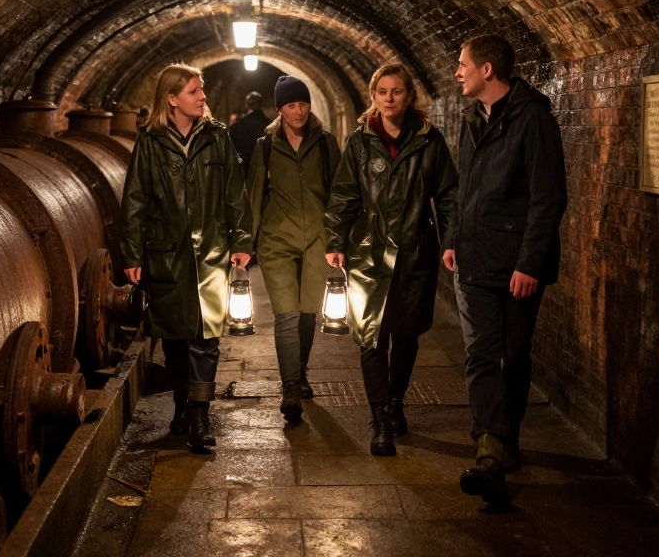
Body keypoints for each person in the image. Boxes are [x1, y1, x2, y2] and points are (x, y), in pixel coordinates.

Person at [442, 35, 567, 506]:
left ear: (487, 70)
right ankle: (489, 451)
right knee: (480, 355)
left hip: (515, 264)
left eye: (463, 64)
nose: (458, 72)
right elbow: (465, 186)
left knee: (512, 357)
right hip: (474, 258)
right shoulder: (472, 118)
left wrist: (530, 263)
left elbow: (548, 195)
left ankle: (506, 441)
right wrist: (454, 237)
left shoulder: (532, 118)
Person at [324, 63, 458, 456]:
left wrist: (450, 240)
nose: (389, 98)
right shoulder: (361, 142)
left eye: (396, 91)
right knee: (370, 338)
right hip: (368, 254)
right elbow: (344, 194)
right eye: (382, 91)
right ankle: (381, 416)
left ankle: (396, 399)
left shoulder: (429, 141)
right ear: (373, 96)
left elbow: (449, 194)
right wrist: (336, 239)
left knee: (407, 334)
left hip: (415, 253)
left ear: (409, 96)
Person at [120, 64, 253, 452]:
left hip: (211, 253)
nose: (203, 97)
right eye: (195, 91)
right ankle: (182, 405)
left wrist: (241, 239)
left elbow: (235, 193)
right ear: (172, 99)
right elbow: (135, 200)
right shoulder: (150, 141)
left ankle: (199, 414)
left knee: (206, 338)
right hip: (167, 255)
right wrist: (131, 252)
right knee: (175, 340)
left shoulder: (217, 138)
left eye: (202, 90)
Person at [245, 75, 341, 421]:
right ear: (280, 109)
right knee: (286, 315)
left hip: (318, 239)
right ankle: (289, 387)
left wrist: (338, 239)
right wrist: (246, 244)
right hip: (276, 240)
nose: (298, 110)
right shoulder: (266, 145)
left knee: (307, 314)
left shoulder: (326, 143)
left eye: (302, 103)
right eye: (290, 105)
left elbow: (339, 194)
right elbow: (254, 194)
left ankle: (299, 372)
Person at [228, 90, 272, 166]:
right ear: (261, 104)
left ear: (247, 104)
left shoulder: (237, 127)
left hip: (245, 169)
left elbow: (231, 152)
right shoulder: (270, 125)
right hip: (266, 169)